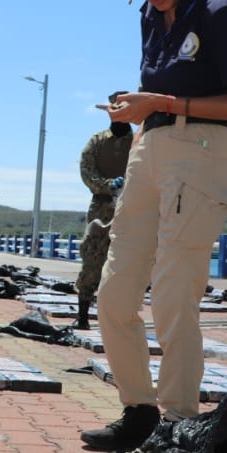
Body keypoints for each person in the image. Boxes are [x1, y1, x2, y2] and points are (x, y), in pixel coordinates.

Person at [81, 0, 227, 451]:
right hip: (150, 147)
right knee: (113, 292)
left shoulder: (220, 13)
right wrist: (137, 115)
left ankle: (176, 422)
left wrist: (159, 103)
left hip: (200, 150)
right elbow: (156, 87)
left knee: (173, 296)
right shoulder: (149, 13)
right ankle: (137, 410)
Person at [74, 121, 133, 329]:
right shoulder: (97, 141)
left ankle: (120, 319)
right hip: (101, 207)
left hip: (133, 208)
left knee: (128, 263)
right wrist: (106, 186)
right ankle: (82, 316)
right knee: (92, 260)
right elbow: (86, 170)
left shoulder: (139, 142)